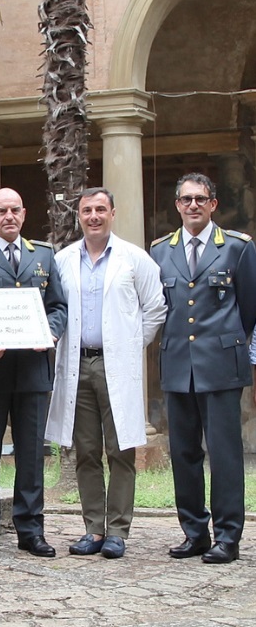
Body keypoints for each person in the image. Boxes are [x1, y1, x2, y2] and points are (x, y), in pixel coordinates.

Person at [45, 187, 165, 559]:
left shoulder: (135, 258)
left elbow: (156, 308)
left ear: (113, 212)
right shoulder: (62, 260)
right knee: (86, 451)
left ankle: (118, 531)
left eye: (100, 209)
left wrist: (129, 346)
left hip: (117, 365)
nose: (93, 216)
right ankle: (92, 529)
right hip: (77, 364)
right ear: (78, 216)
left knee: (120, 449)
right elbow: (54, 305)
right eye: (86, 210)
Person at [151, 173, 256, 564]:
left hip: (220, 365)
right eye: (185, 200)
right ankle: (194, 531)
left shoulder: (237, 248)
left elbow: (248, 308)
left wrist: (227, 343)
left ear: (213, 204)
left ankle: (228, 536)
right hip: (178, 365)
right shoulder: (161, 250)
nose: (192, 206)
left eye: (200, 199)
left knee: (225, 454)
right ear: (177, 205)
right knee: (183, 453)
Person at [0, 188, 67, 559]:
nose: (9, 216)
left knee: (31, 454)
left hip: (32, 371)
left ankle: (31, 529)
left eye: (15, 210)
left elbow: (57, 305)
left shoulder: (43, 255)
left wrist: (51, 331)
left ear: (24, 214)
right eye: (1, 211)